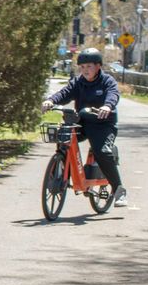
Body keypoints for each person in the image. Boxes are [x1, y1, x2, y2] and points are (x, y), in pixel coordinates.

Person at [41, 47, 128, 207]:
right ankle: (61, 176)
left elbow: (113, 94)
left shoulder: (107, 81)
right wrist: (51, 101)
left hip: (103, 125)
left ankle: (119, 190)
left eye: (89, 66)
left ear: (98, 66)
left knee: (102, 151)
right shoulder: (78, 82)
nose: (85, 70)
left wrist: (107, 106)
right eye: (82, 67)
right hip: (82, 122)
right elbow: (64, 93)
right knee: (63, 138)